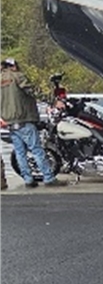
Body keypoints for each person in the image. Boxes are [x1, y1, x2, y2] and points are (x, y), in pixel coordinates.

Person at [0, 58, 65, 188]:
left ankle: (28, 180)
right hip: (24, 119)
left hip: (10, 122)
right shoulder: (18, 77)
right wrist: (53, 102)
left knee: (20, 152)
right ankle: (48, 178)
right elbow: (33, 91)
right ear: (13, 66)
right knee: (36, 150)